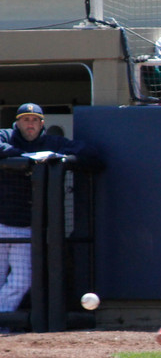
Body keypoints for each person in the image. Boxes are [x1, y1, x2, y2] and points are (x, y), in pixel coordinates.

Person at [0, 103, 102, 317]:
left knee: (22, 280)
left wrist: (60, 157)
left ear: (42, 123)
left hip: (26, 227)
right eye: (26, 119)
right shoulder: (6, 136)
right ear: (17, 122)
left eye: (35, 120)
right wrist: (21, 156)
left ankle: (4, 319)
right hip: (0, 223)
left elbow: (91, 153)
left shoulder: (51, 141)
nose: (30, 124)